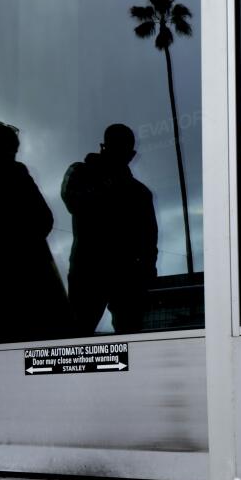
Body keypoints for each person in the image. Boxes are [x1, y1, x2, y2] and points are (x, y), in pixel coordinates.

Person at [0, 120, 71, 345]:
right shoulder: (15, 174)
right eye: (11, 150)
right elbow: (43, 219)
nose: (12, 156)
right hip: (17, 283)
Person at [61, 124, 158, 335]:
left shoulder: (139, 193)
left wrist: (147, 269)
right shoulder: (82, 173)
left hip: (112, 274)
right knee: (79, 333)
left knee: (83, 334)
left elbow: (149, 241)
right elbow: (74, 202)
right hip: (93, 272)